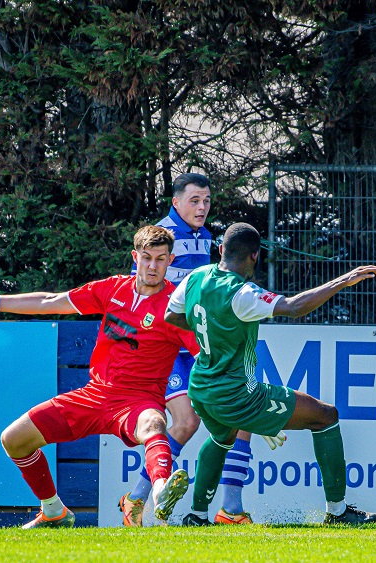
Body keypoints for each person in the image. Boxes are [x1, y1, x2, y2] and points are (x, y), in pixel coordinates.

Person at [0, 226, 196, 528]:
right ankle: (54, 511)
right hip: (94, 395)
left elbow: (209, 361)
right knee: (13, 439)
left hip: (139, 401)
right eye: (147, 258)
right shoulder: (113, 289)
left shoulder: (177, 309)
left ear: (170, 260)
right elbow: (51, 301)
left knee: (154, 423)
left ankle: (160, 492)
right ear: (135, 257)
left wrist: (252, 410)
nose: (153, 266)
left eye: (160, 259)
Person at [165, 222, 376, 526]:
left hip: (201, 388)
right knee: (326, 416)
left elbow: (171, 314)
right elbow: (293, 307)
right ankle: (337, 512)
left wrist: (212, 330)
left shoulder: (195, 278)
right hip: (238, 395)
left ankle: (197, 516)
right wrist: (342, 281)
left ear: (220, 250)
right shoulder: (242, 293)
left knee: (221, 436)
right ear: (255, 256)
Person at [120, 172, 257, 526]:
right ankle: (136, 498)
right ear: (176, 201)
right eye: (194, 200)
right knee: (185, 423)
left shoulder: (204, 237)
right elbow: (148, 295)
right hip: (168, 350)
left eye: (207, 201)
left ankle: (231, 509)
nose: (202, 207)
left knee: (241, 418)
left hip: (198, 347)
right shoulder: (162, 238)